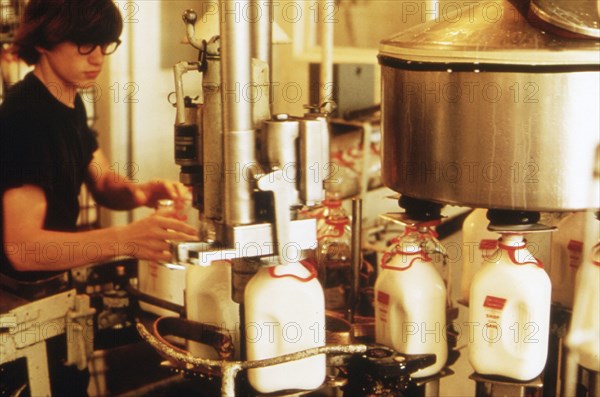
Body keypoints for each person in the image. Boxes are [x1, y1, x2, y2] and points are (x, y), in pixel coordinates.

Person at [0, 0, 199, 395]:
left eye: (104, 45)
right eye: (83, 44)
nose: (97, 59)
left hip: (57, 291)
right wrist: (127, 240)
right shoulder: (26, 118)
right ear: (44, 41)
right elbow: (23, 248)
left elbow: (104, 182)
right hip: (20, 304)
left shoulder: (67, 102)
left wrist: (146, 191)